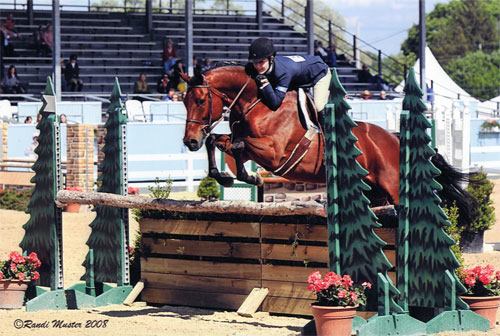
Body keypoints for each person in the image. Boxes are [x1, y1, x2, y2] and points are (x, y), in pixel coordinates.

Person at [245, 37, 331, 113]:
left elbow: (275, 104)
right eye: (255, 62)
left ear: (271, 59)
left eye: (261, 62)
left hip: (319, 72)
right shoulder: (260, 65)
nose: (257, 66)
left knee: (318, 106)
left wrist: (265, 83)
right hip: (298, 72)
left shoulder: (283, 73)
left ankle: (325, 129)